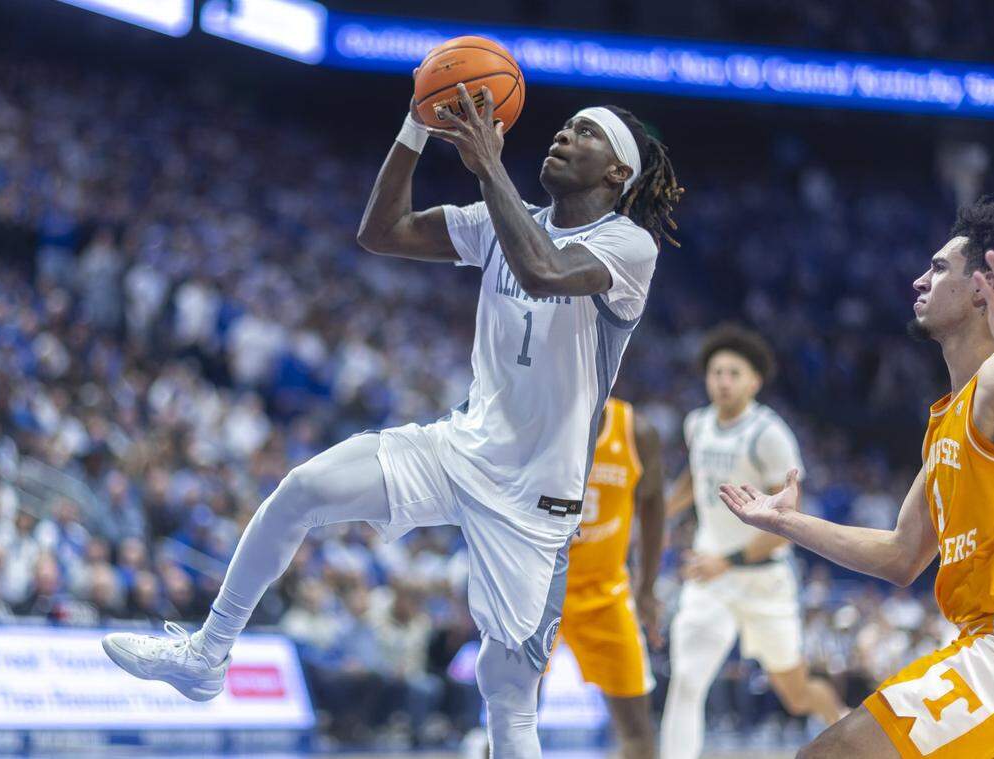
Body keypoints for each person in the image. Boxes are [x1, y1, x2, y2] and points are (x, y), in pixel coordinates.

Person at [101, 78, 683, 759]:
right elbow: (382, 231)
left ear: (617, 173)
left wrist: (488, 166)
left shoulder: (628, 245)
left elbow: (545, 270)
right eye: (565, 126)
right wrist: (415, 125)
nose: (563, 134)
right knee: (302, 490)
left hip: (536, 497)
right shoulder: (502, 216)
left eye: (586, 133)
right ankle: (207, 653)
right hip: (461, 446)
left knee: (508, 693)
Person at [718, 200, 994, 757]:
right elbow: (901, 555)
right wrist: (786, 521)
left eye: (940, 268)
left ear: (982, 289)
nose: (920, 279)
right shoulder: (949, 417)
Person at [661, 324, 846, 759]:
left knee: (797, 695)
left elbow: (789, 523)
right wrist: (659, 513)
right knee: (686, 683)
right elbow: (695, 474)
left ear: (754, 382)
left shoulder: (769, 434)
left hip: (764, 580)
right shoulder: (697, 424)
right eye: (716, 372)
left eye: (733, 373)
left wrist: (727, 560)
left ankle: (845, 723)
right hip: (709, 580)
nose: (723, 380)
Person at [557, 397, 665, 759]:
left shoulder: (636, 430)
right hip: (537, 588)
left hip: (605, 588)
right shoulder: (538, 416)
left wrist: (647, 587)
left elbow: (653, 504)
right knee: (511, 720)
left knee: (637, 730)